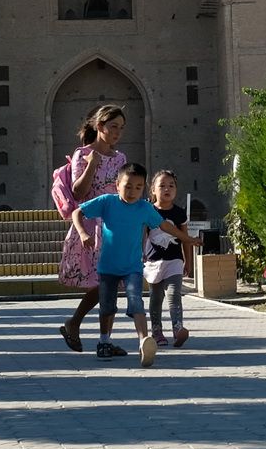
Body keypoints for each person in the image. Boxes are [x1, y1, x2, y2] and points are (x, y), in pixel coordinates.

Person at [52, 105, 128, 353]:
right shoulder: (82, 155)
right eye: (113, 126)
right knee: (104, 283)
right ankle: (75, 324)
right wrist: (91, 165)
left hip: (114, 226)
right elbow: (78, 192)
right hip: (90, 226)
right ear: (99, 127)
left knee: (112, 283)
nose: (117, 132)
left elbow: (123, 194)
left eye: (121, 127)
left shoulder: (120, 159)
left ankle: (101, 339)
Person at [70, 163, 163, 361]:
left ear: (144, 188)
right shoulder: (107, 202)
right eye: (128, 186)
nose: (132, 192)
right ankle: (104, 342)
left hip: (132, 267)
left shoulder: (144, 208)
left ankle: (143, 342)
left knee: (136, 301)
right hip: (108, 267)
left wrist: (186, 238)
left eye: (138, 188)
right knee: (107, 306)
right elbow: (77, 212)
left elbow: (162, 225)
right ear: (117, 184)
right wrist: (83, 233)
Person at [140, 169, 199, 356]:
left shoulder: (179, 213)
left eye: (171, 185)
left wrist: (188, 262)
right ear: (153, 190)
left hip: (174, 261)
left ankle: (178, 329)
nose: (167, 189)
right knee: (156, 298)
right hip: (153, 262)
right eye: (162, 185)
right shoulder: (148, 211)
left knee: (174, 294)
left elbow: (185, 239)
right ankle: (156, 331)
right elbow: (142, 234)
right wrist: (140, 255)